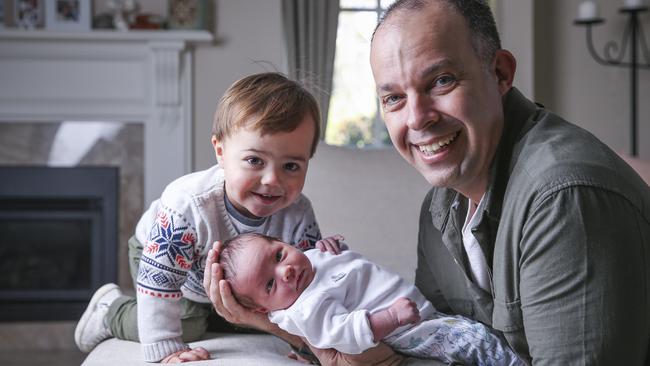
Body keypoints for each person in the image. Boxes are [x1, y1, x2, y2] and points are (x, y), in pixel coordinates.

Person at [368, 0, 650, 364]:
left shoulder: (563, 198)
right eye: (394, 98)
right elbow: (437, 345)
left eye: (441, 81)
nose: (417, 119)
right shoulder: (439, 206)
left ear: (500, 73)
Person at [74, 72, 328, 363]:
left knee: (256, 317)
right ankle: (110, 311)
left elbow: (310, 283)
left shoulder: (298, 212)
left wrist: (305, 344)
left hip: (238, 282)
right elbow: (161, 283)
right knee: (190, 322)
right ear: (220, 151)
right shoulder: (188, 206)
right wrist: (167, 350)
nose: (272, 179)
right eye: (254, 161)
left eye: (291, 166)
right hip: (165, 263)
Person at [218, 232, 524, 365]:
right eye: (270, 283)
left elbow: (350, 269)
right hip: (405, 330)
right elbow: (347, 334)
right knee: (473, 340)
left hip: (420, 315)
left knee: (470, 335)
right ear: (262, 307)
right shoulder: (305, 308)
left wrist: (332, 245)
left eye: (279, 254)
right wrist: (390, 317)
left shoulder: (307, 263)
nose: (285, 271)